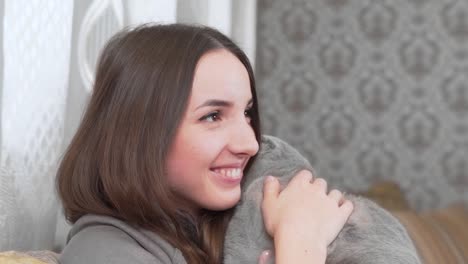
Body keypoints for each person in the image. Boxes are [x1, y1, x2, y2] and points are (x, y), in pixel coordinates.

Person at [56, 23, 353, 264]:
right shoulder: (101, 251)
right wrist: (300, 243)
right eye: (212, 116)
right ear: (138, 134)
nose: (250, 144)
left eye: (247, 113)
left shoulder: (224, 231)